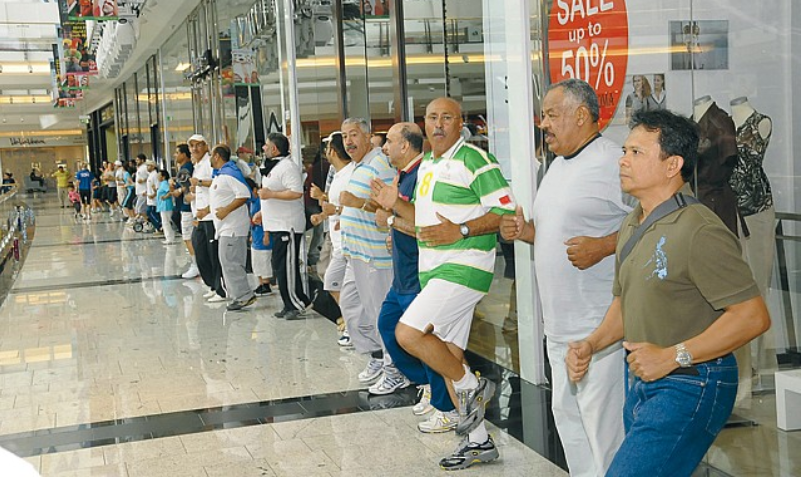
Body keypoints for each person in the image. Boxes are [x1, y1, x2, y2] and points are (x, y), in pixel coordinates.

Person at [566, 109, 771, 476]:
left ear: (672, 164)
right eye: (624, 150)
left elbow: (753, 316)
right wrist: (592, 344)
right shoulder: (633, 222)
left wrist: (673, 356)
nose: (622, 160)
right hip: (646, 378)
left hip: (692, 381)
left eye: (636, 152)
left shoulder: (698, 228)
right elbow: (626, 303)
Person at [499, 78, 632, 477]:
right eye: (544, 116)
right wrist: (527, 232)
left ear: (581, 115)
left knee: (605, 431)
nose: (544, 124)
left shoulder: (614, 162)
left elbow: (655, 223)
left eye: (551, 115)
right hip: (559, 327)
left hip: (599, 327)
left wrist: (605, 246)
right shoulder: (557, 165)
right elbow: (557, 231)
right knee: (571, 426)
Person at [376, 97, 516, 470]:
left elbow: (504, 211)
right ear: (424, 124)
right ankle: (478, 441)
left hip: (465, 268)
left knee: (408, 334)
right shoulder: (430, 166)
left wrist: (463, 229)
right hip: (435, 270)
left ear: (459, 123)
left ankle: (474, 385)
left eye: (447, 118)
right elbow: (423, 223)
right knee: (448, 359)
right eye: (432, 117)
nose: (439, 124)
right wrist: (394, 205)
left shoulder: (474, 158)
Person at [370, 122, 459, 431]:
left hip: (419, 275)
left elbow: (426, 226)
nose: (384, 147)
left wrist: (392, 219)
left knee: (427, 339)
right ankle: (426, 383)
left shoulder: (421, 176)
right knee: (387, 325)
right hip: (402, 276)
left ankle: (446, 404)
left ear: (405, 146)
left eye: (390, 141)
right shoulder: (404, 175)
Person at [337, 118, 396, 384]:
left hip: (375, 256)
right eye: (344, 136)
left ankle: (394, 368)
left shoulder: (379, 165)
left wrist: (357, 204)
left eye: (354, 135)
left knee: (378, 312)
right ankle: (376, 355)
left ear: (368, 136)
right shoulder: (358, 166)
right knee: (350, 306)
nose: (348, 141)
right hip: (355, 253)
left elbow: (390, 208)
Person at [257, 132, 311, 319]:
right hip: (276, 224)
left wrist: (271, 194)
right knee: (279, 266)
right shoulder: (275, 167)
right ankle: (292, 301)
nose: (263, 148)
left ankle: (295, 304)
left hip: (288, 225)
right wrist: (262, 213)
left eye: (266, 145)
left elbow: (296, 192)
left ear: (274, 148)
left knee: (287, 266)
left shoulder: (287, 167)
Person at [209, 144, 256, 311]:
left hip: (233, 227)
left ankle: (244, 296)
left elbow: (244, 194)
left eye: (211, 154)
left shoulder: (230, 174)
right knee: (227, 261)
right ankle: (239, 294)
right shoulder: (221, 175)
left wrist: (226, 210)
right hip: (225, 227)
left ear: (216, 156)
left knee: (231, 262)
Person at [189, 134, 226, 302]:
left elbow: (218, 181)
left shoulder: (209, 162)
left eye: (198, 145)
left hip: (211, 216)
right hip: (200, 217)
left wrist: (200, 183)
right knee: (200, 251)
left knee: (213, 254)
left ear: (205, 146)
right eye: (192, 146)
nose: (195, 149)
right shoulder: (197, 165)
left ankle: (220, 289)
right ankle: (212, 284)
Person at [170, 144, 199, 279]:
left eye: (177, 152)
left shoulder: (186, 169)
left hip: (187, 208)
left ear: (184, 154)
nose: (175, 155)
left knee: (188, 237)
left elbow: (185, 189)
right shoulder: (185, 168)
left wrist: (178, 191)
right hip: (188, 207)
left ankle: (196, 265)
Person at [248, 179, 273, 296]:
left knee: (264, 260)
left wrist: (266, 234)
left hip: (263, 235)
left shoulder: (261, 202)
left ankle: (266, 283)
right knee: (256, 261)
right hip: (255, 235)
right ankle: (260, 283)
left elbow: (267, 217)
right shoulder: (251, 203)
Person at [157, 169, 176, 245]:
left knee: (166, 222)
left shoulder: (164, 183)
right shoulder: (162, 183)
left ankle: (169, 238)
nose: (158, 177)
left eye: (159, 175)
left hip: (166, 205)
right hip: (162, 205)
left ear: (163, 177)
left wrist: (165, 197)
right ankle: (169, 237)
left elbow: (170, 191)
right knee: (165, 222)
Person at [145, 159, 162, 232]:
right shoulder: (150, 175)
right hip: (150, 199)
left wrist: (153, 195)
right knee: (152, 213)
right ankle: (158, 228)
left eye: (148, 165)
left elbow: (158, 187)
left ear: (153, 166)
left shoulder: (155, 175)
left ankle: (160, 227)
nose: (147, 167)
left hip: (154, 200)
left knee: (150, 212)